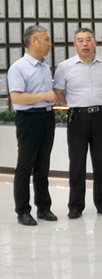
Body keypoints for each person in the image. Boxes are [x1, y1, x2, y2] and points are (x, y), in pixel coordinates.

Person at [53, 27, 102, 219]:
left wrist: (99, 100)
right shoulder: (65, 67)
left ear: (95, 42)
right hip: (77, 117)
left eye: (88, 39)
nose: (85, 44)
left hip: (100, 116)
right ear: (75, 44)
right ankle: (75, 206)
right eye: (80, 40)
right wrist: (73, 104)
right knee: (77, 163)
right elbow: (58, 92)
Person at [7, 25, 58, 226]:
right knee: (25, 165)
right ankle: (22, 211)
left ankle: (43, 208)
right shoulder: (18, 68)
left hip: (47, 117)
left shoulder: (45, 66)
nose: (50, 44)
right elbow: (17, 98)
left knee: (43, 165)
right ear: (34, 41)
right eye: (46, 39)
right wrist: (44, 96)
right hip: (28, 119)